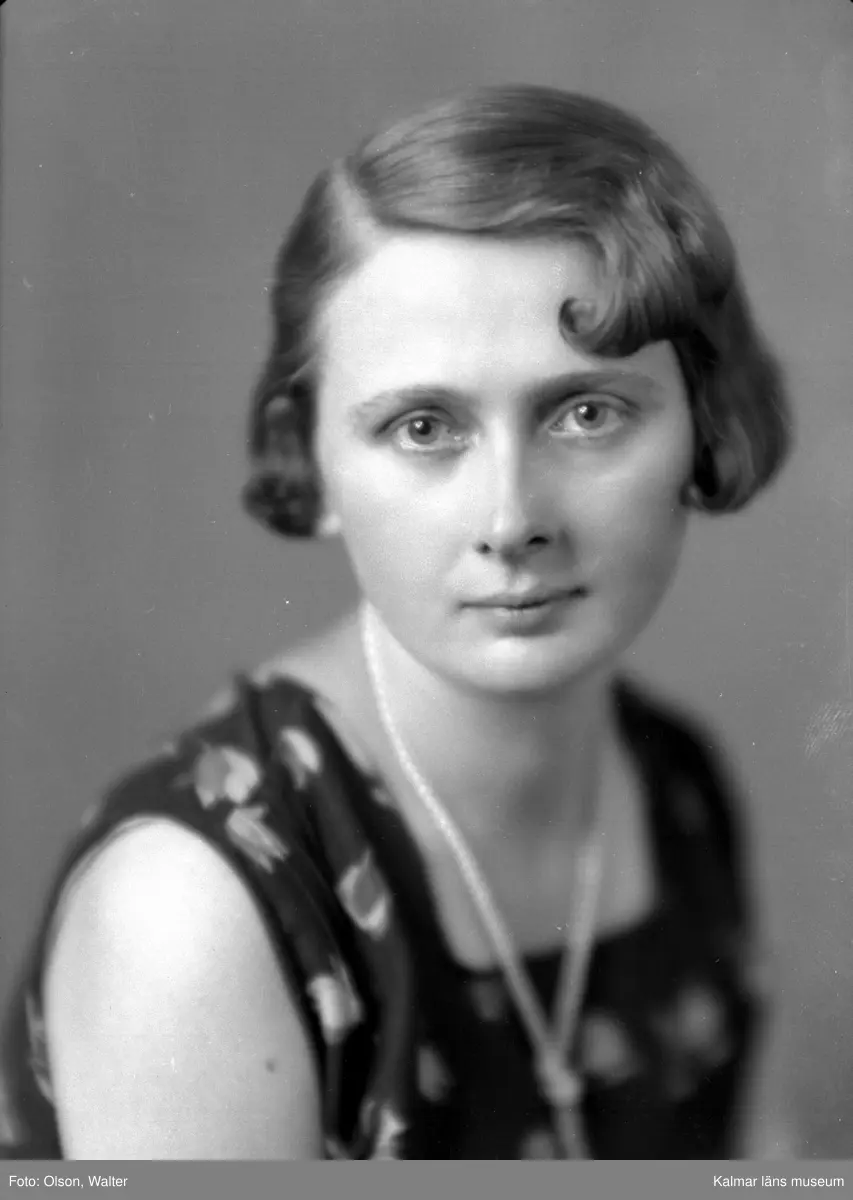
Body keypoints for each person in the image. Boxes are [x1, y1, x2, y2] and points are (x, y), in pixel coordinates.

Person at [0, 84, 791, 1160]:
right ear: (310, 460)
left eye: (585, 412)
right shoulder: (195, 908)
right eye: (424, 427)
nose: (510, 520)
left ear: (702, 425)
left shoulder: (674, 784)